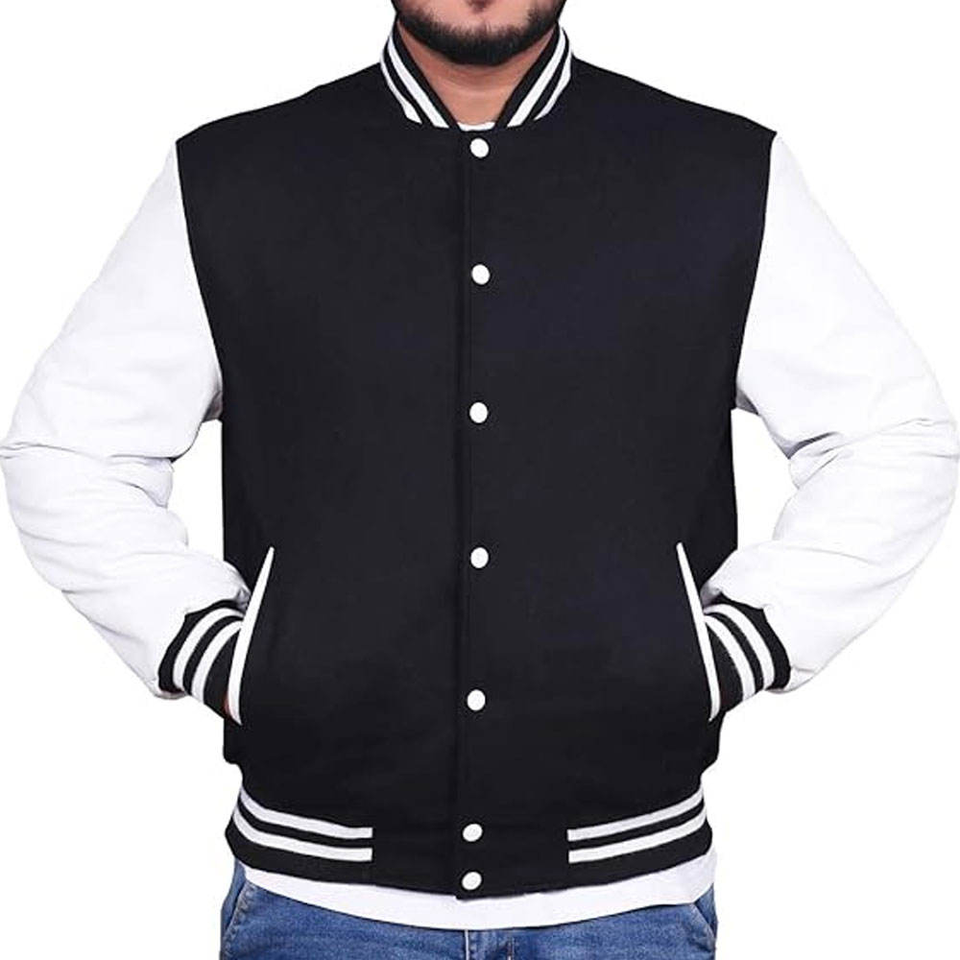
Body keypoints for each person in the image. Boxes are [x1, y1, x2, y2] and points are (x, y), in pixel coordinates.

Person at [2, 1, 957, 957]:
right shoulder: (235, 178)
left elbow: (893, 436)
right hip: (318, 901)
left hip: (626, 902)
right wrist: (221, 655)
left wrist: (733, 648)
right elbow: (69, 450)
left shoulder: (720, 174)